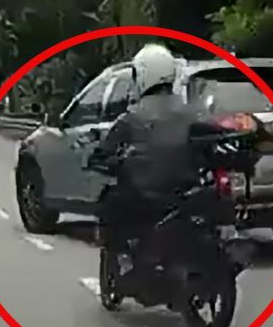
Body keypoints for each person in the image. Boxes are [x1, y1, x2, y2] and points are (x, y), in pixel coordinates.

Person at [86, 43, 202, 261]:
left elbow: (105, 150)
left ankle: (123, 258)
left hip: (148, 195)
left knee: (110, 201)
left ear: (142, 75)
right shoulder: (190, 111)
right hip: (186, 191)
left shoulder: (133, 115)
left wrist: (102, 159)